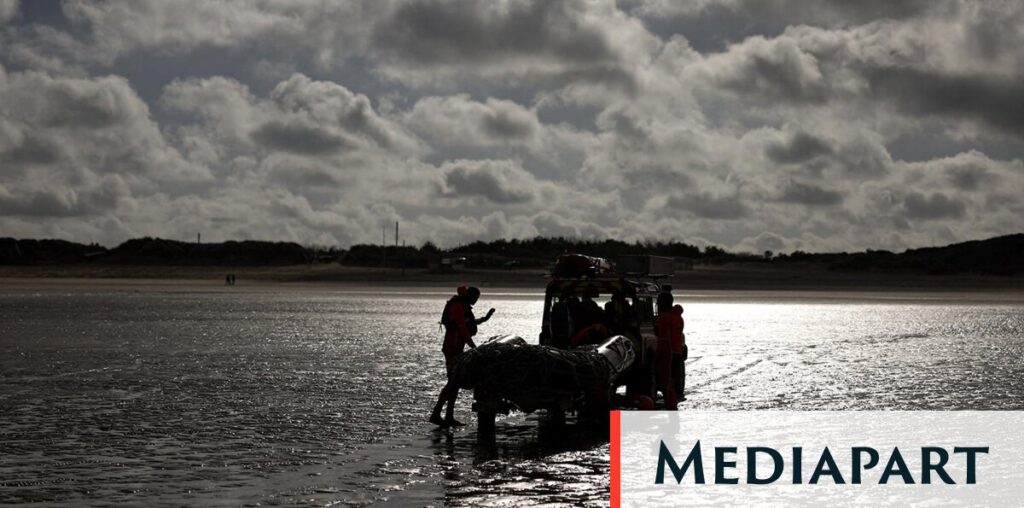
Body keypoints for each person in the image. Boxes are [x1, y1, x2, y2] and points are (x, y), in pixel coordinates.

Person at [429, 285, 494, 427]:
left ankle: (449, 416)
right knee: (452, 381)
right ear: (470, 296)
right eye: (476, 298)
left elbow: (468, 322)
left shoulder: (462, 306)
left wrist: (484, 319)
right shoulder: (457, 306)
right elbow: (461, 327)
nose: (476, 300)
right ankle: (436, 413)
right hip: (452, 348)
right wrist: (473, 347)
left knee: (456, 382)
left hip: (458, 348)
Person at [654, 292, 679, 410]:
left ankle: (670, 408)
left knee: (667, 383)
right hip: (676, 353)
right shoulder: (677, 317)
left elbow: (663, 339)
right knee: (671, 383)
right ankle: (672, 407)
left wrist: (657, 357)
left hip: (668, 354)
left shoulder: (664, 318)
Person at [673, 304, 686, 401]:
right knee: (679, 373)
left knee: (677, 372)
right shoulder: (680, 320)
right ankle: (679, 391)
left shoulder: (672, 319)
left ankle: (677, 391)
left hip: (673, 349)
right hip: (677, 350)